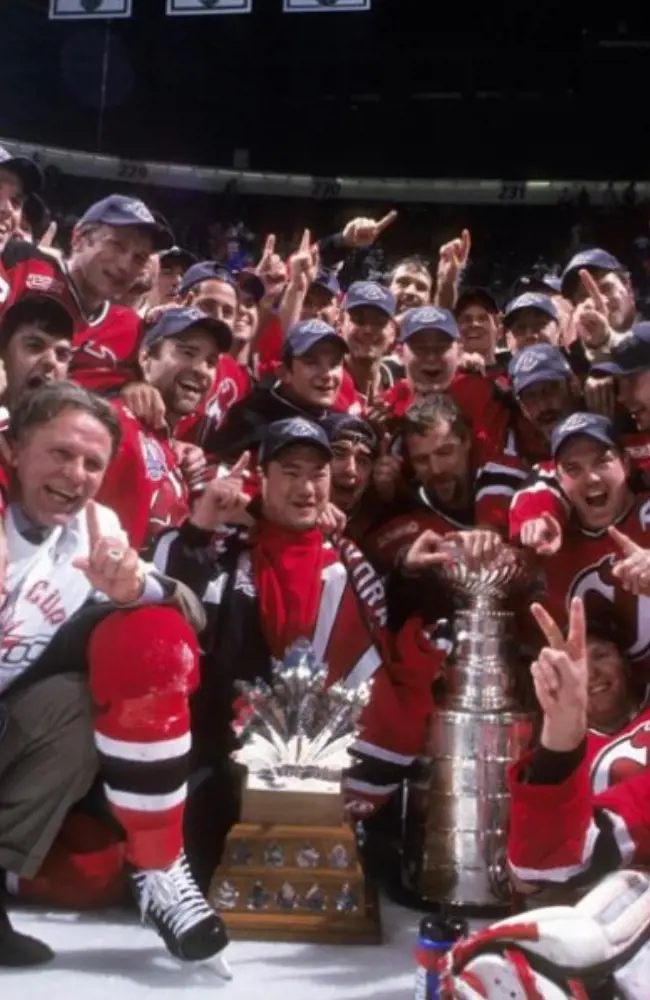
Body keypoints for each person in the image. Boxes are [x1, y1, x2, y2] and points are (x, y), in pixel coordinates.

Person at [0, 381, 227, 968]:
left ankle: (159, 862)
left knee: (142, 637)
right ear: (14, 450)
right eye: (59, 453)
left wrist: (137, 586)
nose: (75, 474)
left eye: (92, 463)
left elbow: (190, 615)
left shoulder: (97, 528)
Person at [151, 416, 444, 819]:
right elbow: (168, 592)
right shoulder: (230, 550)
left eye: (317, 474)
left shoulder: (347, 561)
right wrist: (202, 524)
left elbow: (380, 640)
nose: (307, 488)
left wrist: (408, 569)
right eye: (291, 472)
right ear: (263, 478)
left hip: (335, 776)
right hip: (220, 771)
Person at [1, 194, 173, 394]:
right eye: (117, 245)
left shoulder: (131, 330)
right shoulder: (24, 267)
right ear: (79, 238)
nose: (125, 265)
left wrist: (136, 390)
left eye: (139, 258)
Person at [96, 306, 231, 550]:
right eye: (187, 352)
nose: (201, 370)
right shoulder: (111, 421)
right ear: (146, 358)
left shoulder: (176, 452)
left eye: (211, 362)